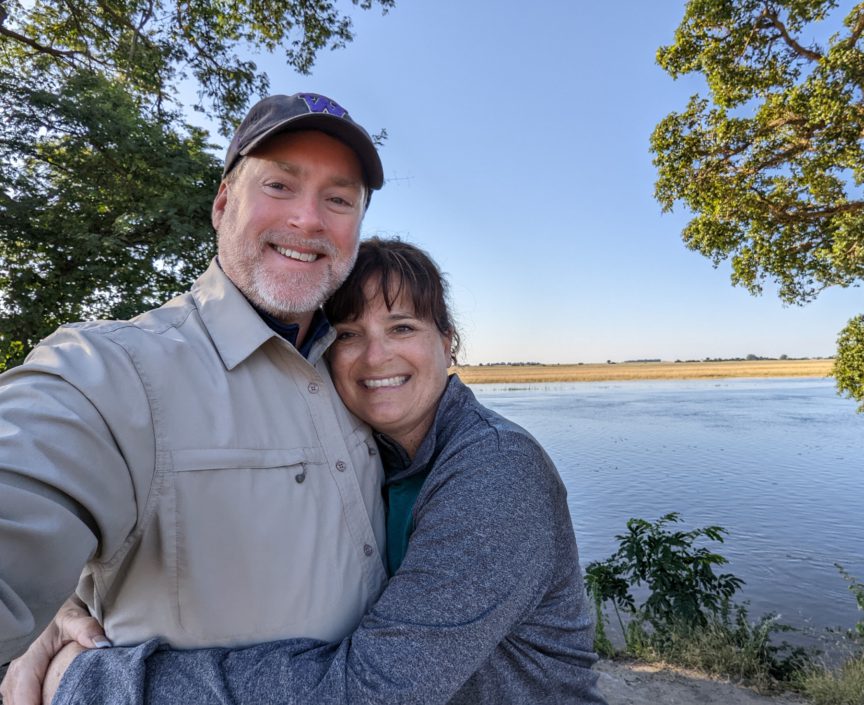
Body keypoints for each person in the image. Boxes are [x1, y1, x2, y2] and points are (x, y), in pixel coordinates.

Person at [35, 238, 606, 705]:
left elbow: (374, 692)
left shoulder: (497, 472)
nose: (376, 356)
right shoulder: (370, 450)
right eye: (349, 335)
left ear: (447, 343)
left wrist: (88, 683)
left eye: (403, 328)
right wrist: (67, 600)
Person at [0, 92, 389, 688]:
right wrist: (47, 601)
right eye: (280, 186)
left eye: (338, 200)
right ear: (223, 202)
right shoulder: (112, 372)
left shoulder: (361, 373)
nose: (309, 219)